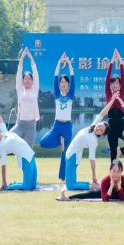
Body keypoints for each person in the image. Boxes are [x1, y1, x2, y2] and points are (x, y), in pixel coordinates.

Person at [63, 94, 118, 191]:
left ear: (102, 134)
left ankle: (91, 186)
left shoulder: (93, 141)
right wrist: (112, 100)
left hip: (73, 156)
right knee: (71, 183)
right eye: (100, 126)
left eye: (101, 130)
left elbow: (92, 159)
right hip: (72, 155)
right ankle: (90, 185)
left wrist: (94, 176)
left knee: (70, 186)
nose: (99, 128)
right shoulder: (92, 127)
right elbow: (103, 112)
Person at [39, 53, 75, 182]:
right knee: (43, 142)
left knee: (66, 152)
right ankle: (60, 141)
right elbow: (55, 76)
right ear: (59, 85)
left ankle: (62, 177)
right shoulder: (57, 94)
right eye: (61, 82)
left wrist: (69, 63)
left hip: (67, 126)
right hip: (57, 125)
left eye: (65, 82)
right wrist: (59, 62)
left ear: (68, 84)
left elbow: (73, 77)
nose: (63, 84)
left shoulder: (70, 95)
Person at [0, 105, 37, 191]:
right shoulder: (2, 147)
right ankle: (8, 187)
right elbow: (3, 166)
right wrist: (4, 182)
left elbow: (0, 120)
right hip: (24, 159)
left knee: (33, 186)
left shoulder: (5, 133)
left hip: (31, 155)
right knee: (27, 187)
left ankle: (14, 184)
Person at [105, 49, 124, 161]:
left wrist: (120, 61)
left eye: (117, 82)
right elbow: (107, 77)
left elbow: (123, 75)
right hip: (111, 124)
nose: (115, 84)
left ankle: (121, 151)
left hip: (121, 124)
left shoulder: (123, 92)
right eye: (113, 83)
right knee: (112, 150)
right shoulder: (108, 93)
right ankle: (114, 169)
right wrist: (112, 61)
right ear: (110, 85)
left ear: (120, 85)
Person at [11, 47, 39, 147]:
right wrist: (22, 58)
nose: (27, 80)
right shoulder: (20, 89)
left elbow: (35, 73)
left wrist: (31, 58)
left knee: (28, 150)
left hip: (31, 125)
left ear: (32, 81)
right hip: (20, 124)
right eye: (25, 79)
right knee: (7, 139)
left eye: (29, 79)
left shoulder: (35, 89)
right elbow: (19, 74)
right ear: (22, 81)